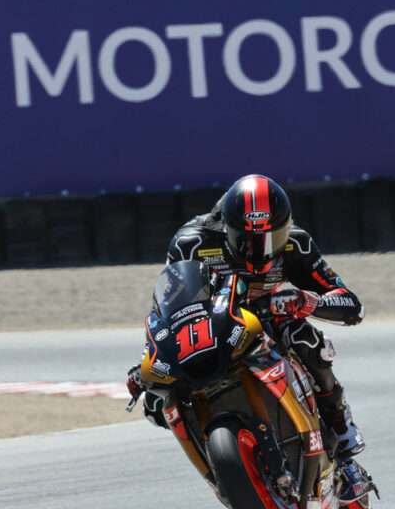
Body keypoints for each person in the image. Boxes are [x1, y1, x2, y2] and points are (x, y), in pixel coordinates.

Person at [127, 174, 367, 470]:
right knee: (159, 405)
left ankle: (339, 423)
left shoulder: (297, 244)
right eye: (246, 239)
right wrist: (149, 357)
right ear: (227, 228)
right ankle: (214, 460)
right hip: (213, 329)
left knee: (304, 336)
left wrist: (307, 302)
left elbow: (352, 305)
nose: (260, 251)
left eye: (272, 238)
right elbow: (166, 307)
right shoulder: (192, 243)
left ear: (287, 228)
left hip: (269, 321)